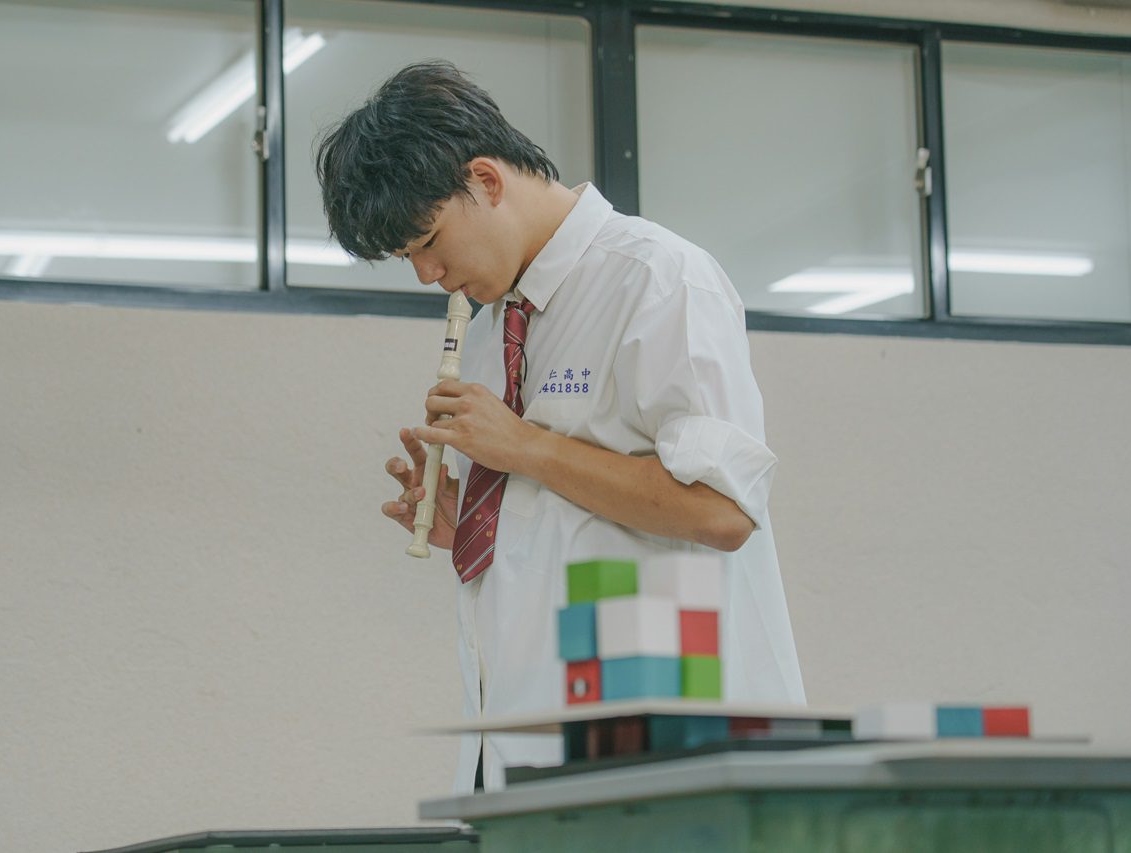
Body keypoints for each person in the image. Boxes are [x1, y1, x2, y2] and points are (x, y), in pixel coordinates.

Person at [315, 60, 804, 794]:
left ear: (485, 180)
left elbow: (723, 510)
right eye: (408, 257)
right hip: (531, 743)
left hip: (660, 747)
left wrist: (526, 448)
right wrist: (475, 520)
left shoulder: (658, 278)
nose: (425, 274)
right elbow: (572, 517)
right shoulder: (493, 328)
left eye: (428, 240)